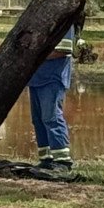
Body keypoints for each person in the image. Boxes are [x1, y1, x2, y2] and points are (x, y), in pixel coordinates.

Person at [28, 20, 80, 175]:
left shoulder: (64, 21)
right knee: (38, 119)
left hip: (52, 78)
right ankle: (46, 159)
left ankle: (62, 161)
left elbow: (63, 50)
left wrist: (36, 55)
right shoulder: (39, 18)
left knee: (51, 117)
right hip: (36, 78)